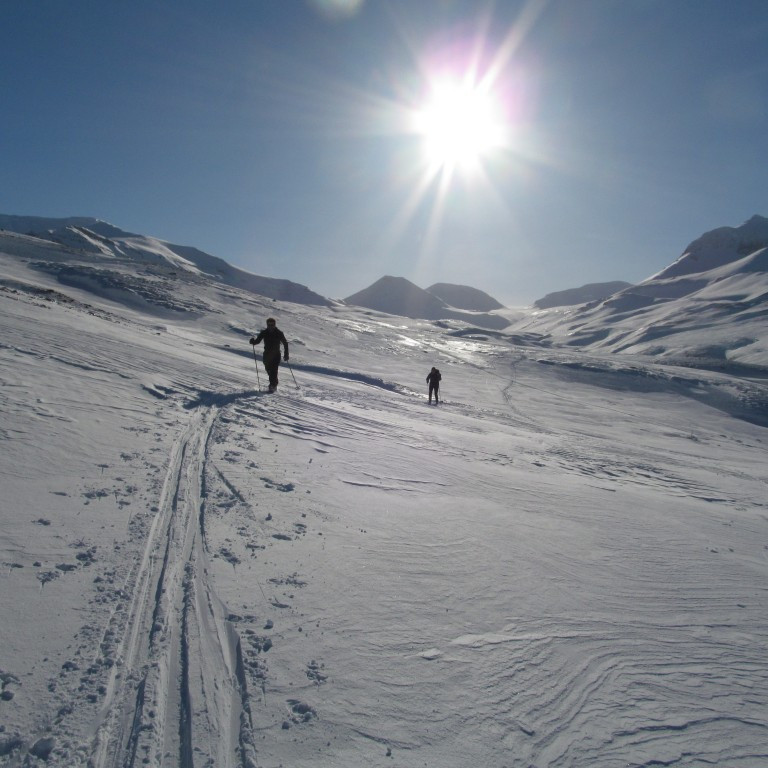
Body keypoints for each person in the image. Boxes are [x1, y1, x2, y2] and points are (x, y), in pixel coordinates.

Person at [250, 317, 289, 392]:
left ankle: (272, 385)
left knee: (274, 370)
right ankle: (274, 382)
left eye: (272, 325)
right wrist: (253, 342)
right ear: (267, 325)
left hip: (276, 355)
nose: (271, 326)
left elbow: (285, 343)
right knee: (268, 370)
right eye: (269, 325)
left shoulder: (279, 333)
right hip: (267, 355)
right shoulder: (264, 332)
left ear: (275, 325)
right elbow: (258, 341)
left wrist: (286, 354)